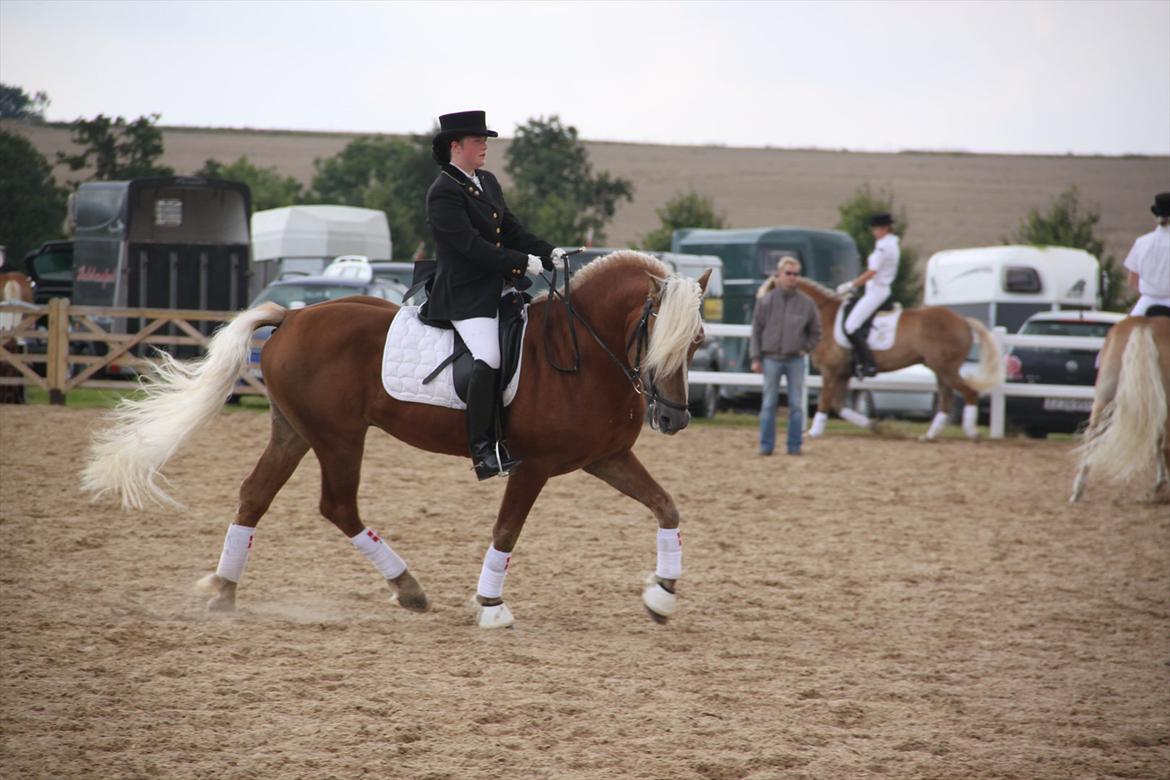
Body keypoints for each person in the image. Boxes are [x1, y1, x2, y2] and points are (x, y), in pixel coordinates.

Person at [423, 110, 567, 480]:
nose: (484, 146)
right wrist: (522, 263)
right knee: (488, 355)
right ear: (456, 146)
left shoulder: (486, 181)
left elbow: (512, 229)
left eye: (485, 140)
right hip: (465, 294)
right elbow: (471, 247)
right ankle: (483, 450)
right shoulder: (443, 192)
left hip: (499, 289)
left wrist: (549, 252)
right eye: (477, 140)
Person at [750, 257, 822, 455]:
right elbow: (756, 331)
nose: (792, 277)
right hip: (771, 358)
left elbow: (816, 332)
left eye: (796, 274)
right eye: (788, 273)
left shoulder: (807, 304)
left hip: (795, 360)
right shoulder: (765, 302)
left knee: (796, 405)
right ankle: (766, 447)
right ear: (779, 275)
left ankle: (794, 446)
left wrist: (805, 348)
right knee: (768, 404)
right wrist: (756, 358)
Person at [837, 212, 900, 378]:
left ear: (885, 228)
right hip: (878, 290)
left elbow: (872, 272)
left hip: (877, 291)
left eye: (876, 228)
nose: (874, 232)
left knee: (851, 326)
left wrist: (850, 285)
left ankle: (868, 364)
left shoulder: (883, 247)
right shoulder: (891, 243)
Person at [1123, 192, 1170, 316]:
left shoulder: (1142, 242)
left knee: (1124, 331)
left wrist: (1152, 289)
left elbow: (1132, 280)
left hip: (1146, 301)